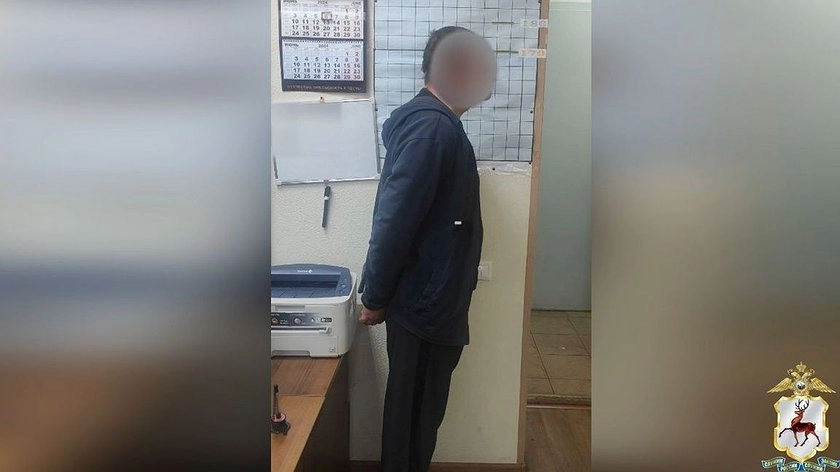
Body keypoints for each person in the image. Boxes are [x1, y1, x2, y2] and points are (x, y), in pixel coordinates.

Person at [357, 26, 497, 472]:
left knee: (417, 416)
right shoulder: (431, 129)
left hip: (431, 301)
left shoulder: (437, 125)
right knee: (413, 419)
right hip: (424, 306)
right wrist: (375, 296)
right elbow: (394, 221)